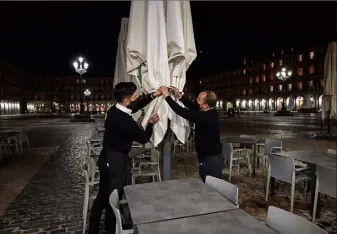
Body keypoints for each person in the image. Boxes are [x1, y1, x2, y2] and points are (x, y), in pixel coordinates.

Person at [88, 82, 161, 234]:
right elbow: (142, 138)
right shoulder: (124, 120)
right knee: (111, 197)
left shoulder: (115, 109)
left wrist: (153, 95)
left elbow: (137, 104)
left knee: (104, 194)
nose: (136, 98)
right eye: (134, 96)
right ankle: (110, 229)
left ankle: (94, 228)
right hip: (114, 161)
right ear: (127, 100)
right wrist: (151, 124)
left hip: (108, 157)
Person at [159, 86, 223, 183]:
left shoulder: (205, 116)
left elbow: (182, 111)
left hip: (211, 159)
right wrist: (179, 96)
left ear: (205, 105)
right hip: (208, 156)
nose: (196, 100)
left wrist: (167, 96)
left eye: (199, 99)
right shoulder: (209, 111)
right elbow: (194, 106)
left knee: (212, 186)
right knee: (205, 179)